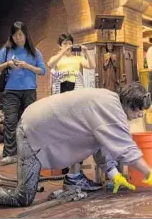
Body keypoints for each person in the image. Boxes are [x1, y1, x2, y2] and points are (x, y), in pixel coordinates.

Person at [0, 83, 152, 207]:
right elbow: (127, 150)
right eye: (138, 111)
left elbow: (101, 146)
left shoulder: (108, 100)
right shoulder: (112, 110)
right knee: (21, 197)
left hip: (35, 122)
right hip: (31, 132)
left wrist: (114, 175)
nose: (137, 116)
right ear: (130, 105)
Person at [47, 33, 99, 191]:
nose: (68, 46)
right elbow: (50, 64)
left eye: (70, 43)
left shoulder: (77, 59)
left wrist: (85, 52)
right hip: (62, 92)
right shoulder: (58, 57)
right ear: (60, 45)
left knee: (78, 130)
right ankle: (71, 170)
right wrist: (63, 52)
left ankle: (76, 171)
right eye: (64, 43)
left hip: (76, 92)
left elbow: (91, 65)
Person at [0, 21, 46, 165]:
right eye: (15, 35)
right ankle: (10, 154)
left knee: (28, 122)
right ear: (11, 36)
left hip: (29, 90)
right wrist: (7, 64)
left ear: (26, 35)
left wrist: (27, 65)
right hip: (11, 91)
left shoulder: (34, 52)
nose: (18, 38)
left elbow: (42, 70)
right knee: (10, 122)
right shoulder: (6, 51)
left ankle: (28, 153)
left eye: (21, 35)